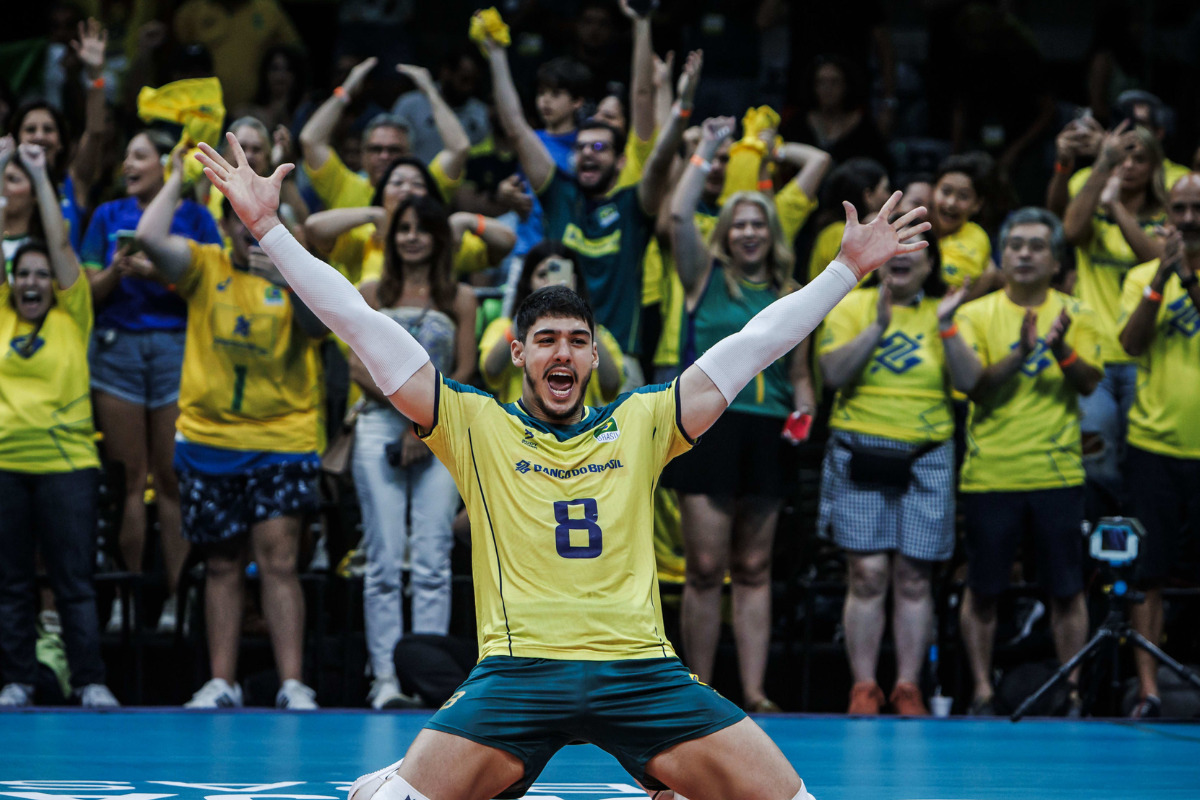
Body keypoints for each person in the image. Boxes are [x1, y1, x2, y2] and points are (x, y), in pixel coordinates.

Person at [196, 129, 928, 800]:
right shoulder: (473, 422)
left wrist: (842, 270)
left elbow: (752, 346)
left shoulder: (642, 420)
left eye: (578, 341)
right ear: (517, 353)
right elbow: (358, 319)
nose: (563, 355)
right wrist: (268, 228)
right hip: (520, 675)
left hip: (641, 673)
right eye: (545, 340)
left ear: (594, 354)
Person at [135, 149, 325, 710]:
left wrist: (291, 280)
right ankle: (223, 682)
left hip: (281, 441)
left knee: (280, 561)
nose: (247, 233)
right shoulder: (204, 266)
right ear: (224, 225)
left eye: (255, 222)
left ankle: (293, 683)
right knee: (220, 564)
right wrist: (175, 178)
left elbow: (320, 331)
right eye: (236, 222)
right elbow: (147, 238)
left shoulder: (296, 270)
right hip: (209, 442)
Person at [663, 117, 816, 712]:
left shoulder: (792, 292)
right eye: (739, 223)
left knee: (754, 566)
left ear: (771, 232)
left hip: (768, 429)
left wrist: (805, 403)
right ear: (725, 232)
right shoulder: (703, 276)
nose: (749, 232)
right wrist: (703, 153)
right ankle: (697, 689)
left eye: (758, 223)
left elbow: (800, 373)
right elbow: (678, 216)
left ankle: (753, 690)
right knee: (704, 566)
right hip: (709, 426)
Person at [940, 207, 1103, 716]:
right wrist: (1021, 354)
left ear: (1056, 260)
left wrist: (1061, 352)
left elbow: (1091, 381)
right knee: (984, 591)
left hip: (1057, 474)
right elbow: (974, 388)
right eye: (1016, 245)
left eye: (1037, 246)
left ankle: (1073, 690)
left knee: (1067, 591)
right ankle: (985, 692)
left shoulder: (1079, 311)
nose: (1025, 253)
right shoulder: (974, 313)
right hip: (992, 474)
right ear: (1003, 256)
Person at [484, 23, 699, 380]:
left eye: (599, 148)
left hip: (617, 363)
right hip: (556, 359)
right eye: (581, 147)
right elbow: (517, 128)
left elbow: (660, 159)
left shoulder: (634, 205)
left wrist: (682, 108)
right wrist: (496, 56)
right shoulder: (558, 194)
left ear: (619, 161)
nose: (587, 154)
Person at [81, 129, 223, 634]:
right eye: (126, 155)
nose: (127, 163)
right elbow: (87, 294)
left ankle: (172, 604)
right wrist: (119, 272)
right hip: (116, 350)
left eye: (138, 155)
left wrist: (160, 275)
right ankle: (123, 600)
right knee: (128, 480)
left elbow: (214, 289)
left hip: (175, 349)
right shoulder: (104, 216)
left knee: (170, 480)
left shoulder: (198, 218)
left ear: (168, 163)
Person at [816, 228, 954, 716]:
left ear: (930, 264)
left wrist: (951, 326)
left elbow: (967, 383)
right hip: (860, 447)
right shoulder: (851, 305)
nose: (902, 260)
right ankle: (864, 686)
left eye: (913, 252)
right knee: (868, 573)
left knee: (915, 577)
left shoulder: (945, 313)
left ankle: (908, 687)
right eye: (893, 251)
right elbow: (832, 376)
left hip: (926, 452)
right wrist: (876, 327)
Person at [0, 142, 118, 709]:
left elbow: (61, 239)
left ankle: (90, 679)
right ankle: (18, 679)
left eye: (41, 274)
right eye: (22, 273)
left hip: (69, 467)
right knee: (13, 585)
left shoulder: (74, 314)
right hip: (5, 467)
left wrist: (43, 174)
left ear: (55, 282)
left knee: (74, 585)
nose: (31, 282)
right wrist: (1, 170)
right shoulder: (0, 310)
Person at [350, 195, 477, 710]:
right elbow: (358, 368)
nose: (411, 237)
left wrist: (425, 422)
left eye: (422, 228)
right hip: (378, 426)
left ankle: (429, 681)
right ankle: (385, 679)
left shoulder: (460, 297)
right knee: (382, 558)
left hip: (440, 430)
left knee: (431, 558)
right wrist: (410, 416)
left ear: (439, 238)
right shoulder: (372, 291)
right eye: (402, 228)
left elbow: (465, 370)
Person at [1118, 173, 1200, 718]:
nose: (1189, 219)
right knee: (1146, 570)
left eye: (1198, 208)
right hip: (1153, 442)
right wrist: (1162, 281)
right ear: (1165, 214)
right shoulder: (1145, 274)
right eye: (1179, 208)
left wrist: (1188, 279)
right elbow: (1129, 342)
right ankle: (1148, 688)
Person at [1062, 121, 1167, 510]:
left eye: (1140, 158)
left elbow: (1158, 260)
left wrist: (1115, 208)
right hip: (1096, 358)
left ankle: (1138, 551)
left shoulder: (1168, 213)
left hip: (1148, 360)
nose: (1129, 164)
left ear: (1155, 166)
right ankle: (1100, 554)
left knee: (1141, 464)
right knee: (1098, 460)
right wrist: (1101, 165)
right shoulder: (1093, 190)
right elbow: (1071, 231)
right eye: (1123, 155)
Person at [298, 58, 468, 213]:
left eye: (394, 150)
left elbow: (459, 147)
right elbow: (311, 140)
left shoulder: (424, 189)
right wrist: (347, 88)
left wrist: (431, 92)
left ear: (410, 156)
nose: (384, 156)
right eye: (375, 149)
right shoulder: (342, 185)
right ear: (363, 155)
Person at [480, 241, 622, 406]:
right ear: (528, 282)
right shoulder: (503, 326)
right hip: (519, 428)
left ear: (574, 281)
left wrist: (584, 321)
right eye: (542, 275)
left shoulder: (596, 332)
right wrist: (527, 313)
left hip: (576, 430)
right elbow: (491, 370)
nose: (550, 282)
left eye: (558, 274)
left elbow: (611, 385)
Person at [392, 49, 491, 165]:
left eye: (474, 81)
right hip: (413, 178)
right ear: (446, 72)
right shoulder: (409, 104)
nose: (469, 87)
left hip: (457, 180)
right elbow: (392, 146)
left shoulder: (480, 112)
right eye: (464, 79)